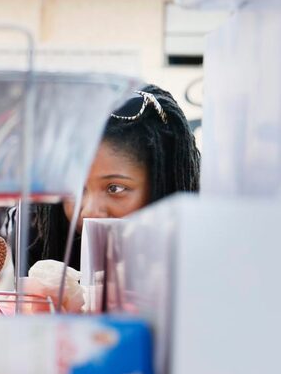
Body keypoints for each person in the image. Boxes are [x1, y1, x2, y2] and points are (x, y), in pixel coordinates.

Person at [18, 84, 201, 268]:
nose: (89, 212)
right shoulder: (34, 239)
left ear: (165, 185)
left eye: (115, 188)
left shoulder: (204, 257)